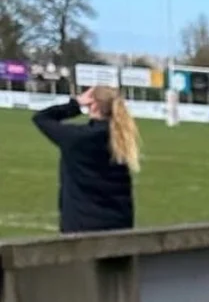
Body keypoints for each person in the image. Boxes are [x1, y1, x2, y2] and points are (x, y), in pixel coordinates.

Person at [32, 87, 141, 234]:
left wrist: (75, 104)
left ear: (94, 105)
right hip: (119, 224)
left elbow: (41, 118)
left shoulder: (78, 138)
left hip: (81, 225)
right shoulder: (121, 138)